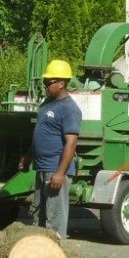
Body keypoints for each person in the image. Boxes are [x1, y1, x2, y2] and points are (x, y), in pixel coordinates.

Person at [19, 59, 82, 240]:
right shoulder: (47, 103)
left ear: (62, 83)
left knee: (54, 222)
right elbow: (40, 133)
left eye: (49, 82)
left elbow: (71, 143)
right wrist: (28, 157)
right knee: (39, 218)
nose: (46, 86)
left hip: (55, 171)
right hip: (42, 168)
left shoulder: (69, 109)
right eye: (45, 83)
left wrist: (60, 173)